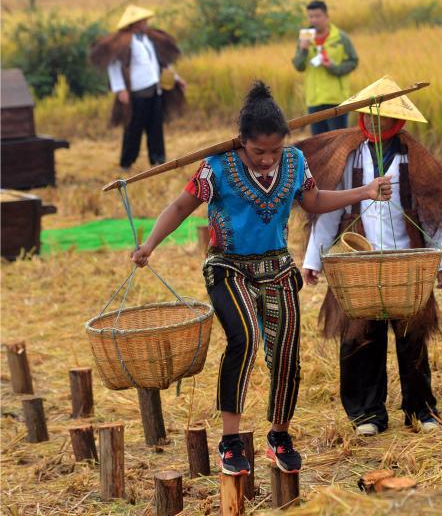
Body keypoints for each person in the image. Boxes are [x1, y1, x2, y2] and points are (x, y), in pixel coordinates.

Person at [130, 81, 392, 476]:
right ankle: (231, 442)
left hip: (277, 269)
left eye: (274, 150)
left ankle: (279, 435)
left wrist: (365, 191)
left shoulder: (294, 162)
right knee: (245, 338)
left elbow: (315, 201)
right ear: (242, 141)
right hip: (227, 267)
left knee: (286, 352)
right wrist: (149, 244)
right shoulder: (216, 167)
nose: (268, 160)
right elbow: (181, 205)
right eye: (258, 152)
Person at [298, 78, 442, 437]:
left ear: (397, 121)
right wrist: (314, 258)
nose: (374, 122)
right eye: (368, 115)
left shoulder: (414, 158)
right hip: (359, 261)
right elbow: (328, 210)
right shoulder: (348, 155)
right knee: (360, 335)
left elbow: (432, 214)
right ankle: (367, 414)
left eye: (383, 117)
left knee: (413, 335)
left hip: (407, 260)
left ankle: (420, 409)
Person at [89, 5, 187, 170]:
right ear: (134, 23)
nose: (146, 23)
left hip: (155, 89)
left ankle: (158, 161)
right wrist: (120, 89)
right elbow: (113, 67)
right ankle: (127, 163)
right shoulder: (123, 42)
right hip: (136, 93)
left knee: (155, 127)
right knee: (133, 129)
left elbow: (161, 63)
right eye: (142, 21)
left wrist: (176, 78)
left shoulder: (149, 39)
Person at [292, 0, 359, 135]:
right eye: (311, 17)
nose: (314, 20)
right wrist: (303, 50)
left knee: (338, 140)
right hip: (314, 99)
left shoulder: (340, 38)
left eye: (318, 16)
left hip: (336, 99)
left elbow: (353, 61)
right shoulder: (304, 37)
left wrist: (334, 67)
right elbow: (299, 66)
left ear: (327, 17)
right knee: (317, 143)